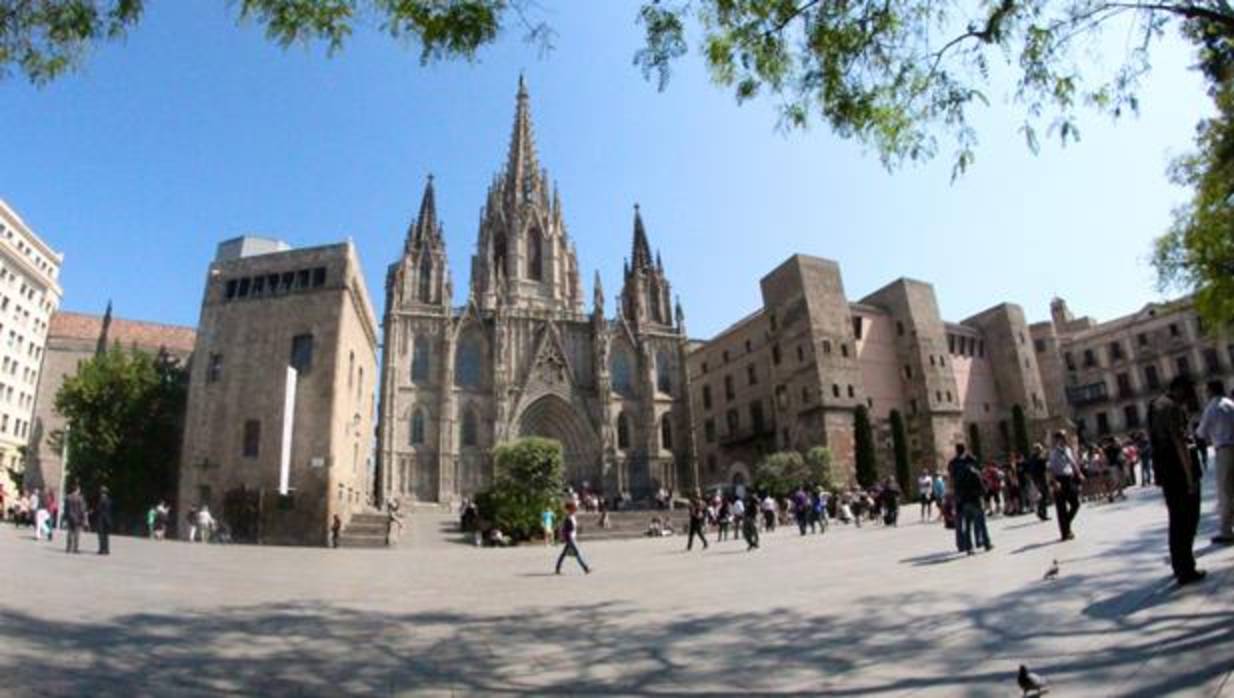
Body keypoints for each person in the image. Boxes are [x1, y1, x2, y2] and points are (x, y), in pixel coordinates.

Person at [1149, 376, 1207, 585]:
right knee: (1188, 519)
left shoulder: (1155, 405)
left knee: (1176, 520)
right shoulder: (1172, 408)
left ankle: (1179, 565)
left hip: (1166, 470)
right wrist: (1190, 477)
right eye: (1189, 391)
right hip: (1179, 471)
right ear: (1181, 389)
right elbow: (1179, 442)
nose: (1190, 398)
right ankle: (1186, 568)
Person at [1196, 380, 1234, 545]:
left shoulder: (1212, 408)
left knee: (1226, 492)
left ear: (1210, 391)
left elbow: (1201, 432)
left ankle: (1226, 532)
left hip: (1224, 450)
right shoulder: (1231, 404)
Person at [950, 444, 991, 554]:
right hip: (975, 499)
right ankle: (986, 543)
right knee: (981, 523)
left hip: (963, 500)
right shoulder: (974, 471)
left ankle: (969, 548)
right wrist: (984, 496)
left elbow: (953, 483)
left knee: (967, 525)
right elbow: (982, 486)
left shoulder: (955, 468)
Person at [1048, 431, 1082, 541]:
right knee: (1061, 508)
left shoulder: (1068, 450)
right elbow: (1050, 469)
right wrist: (1054, 482)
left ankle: (1066, 524)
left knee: (1076, 504)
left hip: (1069, 479)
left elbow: (1072, 463)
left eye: (1064, 437)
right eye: (1061, 438)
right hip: (1059, 480)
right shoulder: (1053, 453)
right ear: (1057, 440)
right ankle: (1065, 533)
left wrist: (1079, 473)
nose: (1063, 439)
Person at [555, 501, 590, 574]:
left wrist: (578, 528)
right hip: (570, 538)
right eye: (573, 509)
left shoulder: (572, 516)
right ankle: (585, 568)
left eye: (575, 509)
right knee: (577, 553)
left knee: (563, 554)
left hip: (572, 537)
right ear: (569, 509)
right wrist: (565, 537)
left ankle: (557, 568)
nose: (575, 510)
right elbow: (565, 529)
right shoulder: (567, 518)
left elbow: (574, 526)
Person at [1027, 444, 1051, 521]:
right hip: (1041, 478)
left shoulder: (1031, 458)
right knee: (1044, 495)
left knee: (1043, 495)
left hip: (1035, 479)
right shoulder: (1039, 457)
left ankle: (1042, 512)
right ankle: (1042, 512)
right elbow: (1045, 466)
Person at [64, 485, 85, 554]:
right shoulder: (80, 498)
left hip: (70, 517)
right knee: (76, 534)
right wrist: (83, 518)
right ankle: (75, 548)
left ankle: (68, 548)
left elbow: (66, 508)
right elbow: (82, 510)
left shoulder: (68, 497)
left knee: (69, 533)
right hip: (77, 518)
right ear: (77, 490)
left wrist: (65, 517)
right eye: (79, 490)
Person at [95, 486, 112, 555]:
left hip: (101, 520)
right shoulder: (109, 500)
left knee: (101, 535)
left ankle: (101, 549)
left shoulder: (101, 499)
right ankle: (107, 549)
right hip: (107, 519)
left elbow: (98, 509)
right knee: (106, 536)